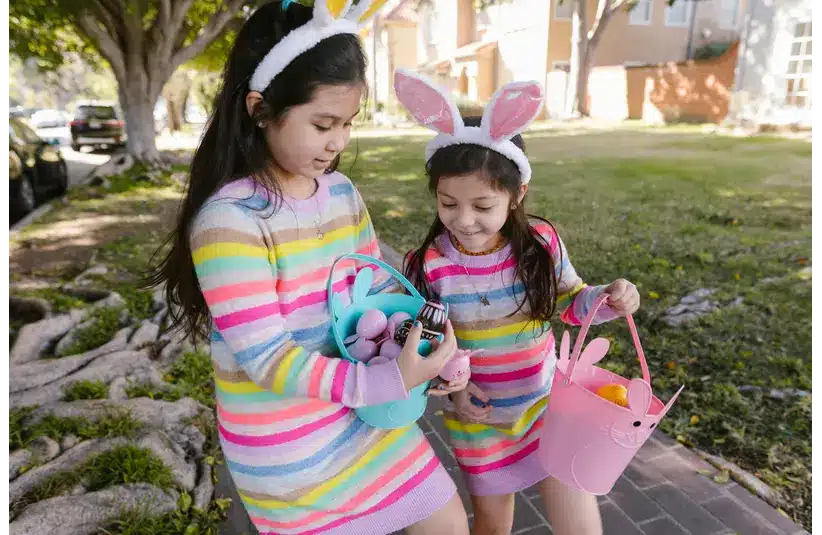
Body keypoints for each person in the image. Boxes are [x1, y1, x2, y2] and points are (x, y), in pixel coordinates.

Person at [148, 3, 471, 534]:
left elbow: (376, 294)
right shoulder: (229, 222)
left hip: (368, 417)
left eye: (347, 123)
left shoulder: (341, 193)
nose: (338, 142)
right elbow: (270, 360)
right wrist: (390, 378)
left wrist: (418, 347)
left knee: (447, 523)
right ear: (260, 110)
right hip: (292, 453)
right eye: (323, 124)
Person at [396, 69, 641, 535]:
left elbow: (570, 302)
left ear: (518, 194)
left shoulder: (542, 245)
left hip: (547, 407)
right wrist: (454, 389)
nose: (464, 221)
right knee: (493, 522)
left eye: (482, 206)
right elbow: (422, 345)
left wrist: (608, 298)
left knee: (580, 519)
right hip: (479, 419)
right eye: (448, 204)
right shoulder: (427, 265)